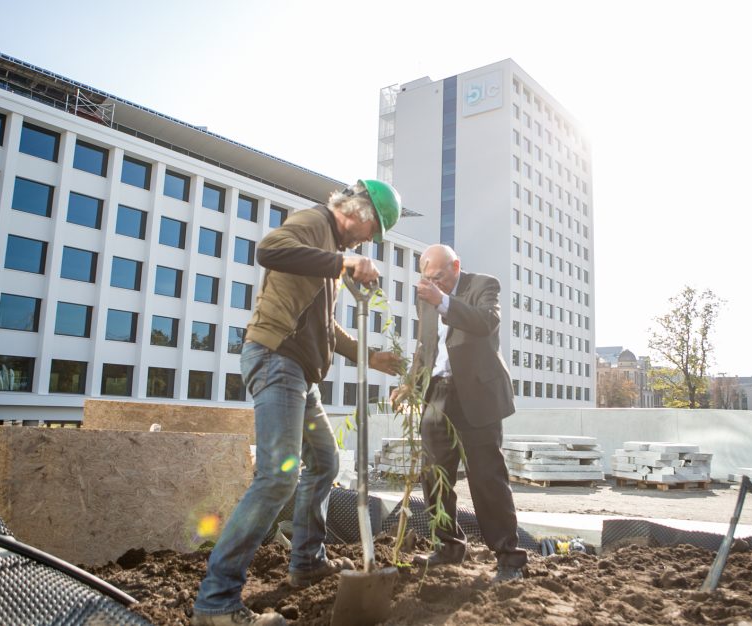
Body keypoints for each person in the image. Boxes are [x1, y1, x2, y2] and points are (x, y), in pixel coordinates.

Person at [192, 180, 404, 626]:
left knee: (325, 461)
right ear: (359, 212)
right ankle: (216, 601)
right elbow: (269, 249)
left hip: (300, 375)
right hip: (276, 360)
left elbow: (326, 325)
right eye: (372, 230)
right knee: (277, 477)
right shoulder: (313, 222)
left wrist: (370, 357)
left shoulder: (327, 251)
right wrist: (344, 260)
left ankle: (306, 563)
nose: (368, 240)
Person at [391, 244, 528, 583]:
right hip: (437, 392)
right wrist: (410, 382)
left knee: (487, 478)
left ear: (455, 266)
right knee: (435, 475)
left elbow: (486, 322)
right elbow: (425, 346)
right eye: (427, 278)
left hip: (476, 394)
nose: (432, 283)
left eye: (438, 277)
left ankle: (510, 559)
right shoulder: (426, 297)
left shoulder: (483, 285)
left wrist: (444, 302)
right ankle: (448, 546)